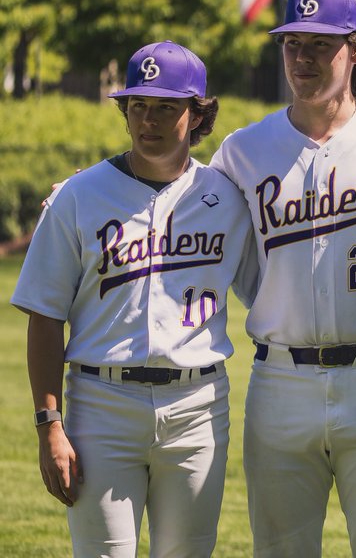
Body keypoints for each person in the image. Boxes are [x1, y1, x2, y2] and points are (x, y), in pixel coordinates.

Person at [210, 0, 356, 557]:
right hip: (280, 382)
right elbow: (178, 212)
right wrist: (82, 191)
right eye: (292, 43)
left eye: (319, 44)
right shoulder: (243, 151)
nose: (302, 57)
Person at [12, 41, 257, 557]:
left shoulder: (227, 198)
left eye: (166, 106)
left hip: (197, 406)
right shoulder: (78, 196)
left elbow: (276, 280)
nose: (149, 120)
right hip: (102, 405)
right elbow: (44, 316)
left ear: (197, 114)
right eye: (137, 105)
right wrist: (48, 425)